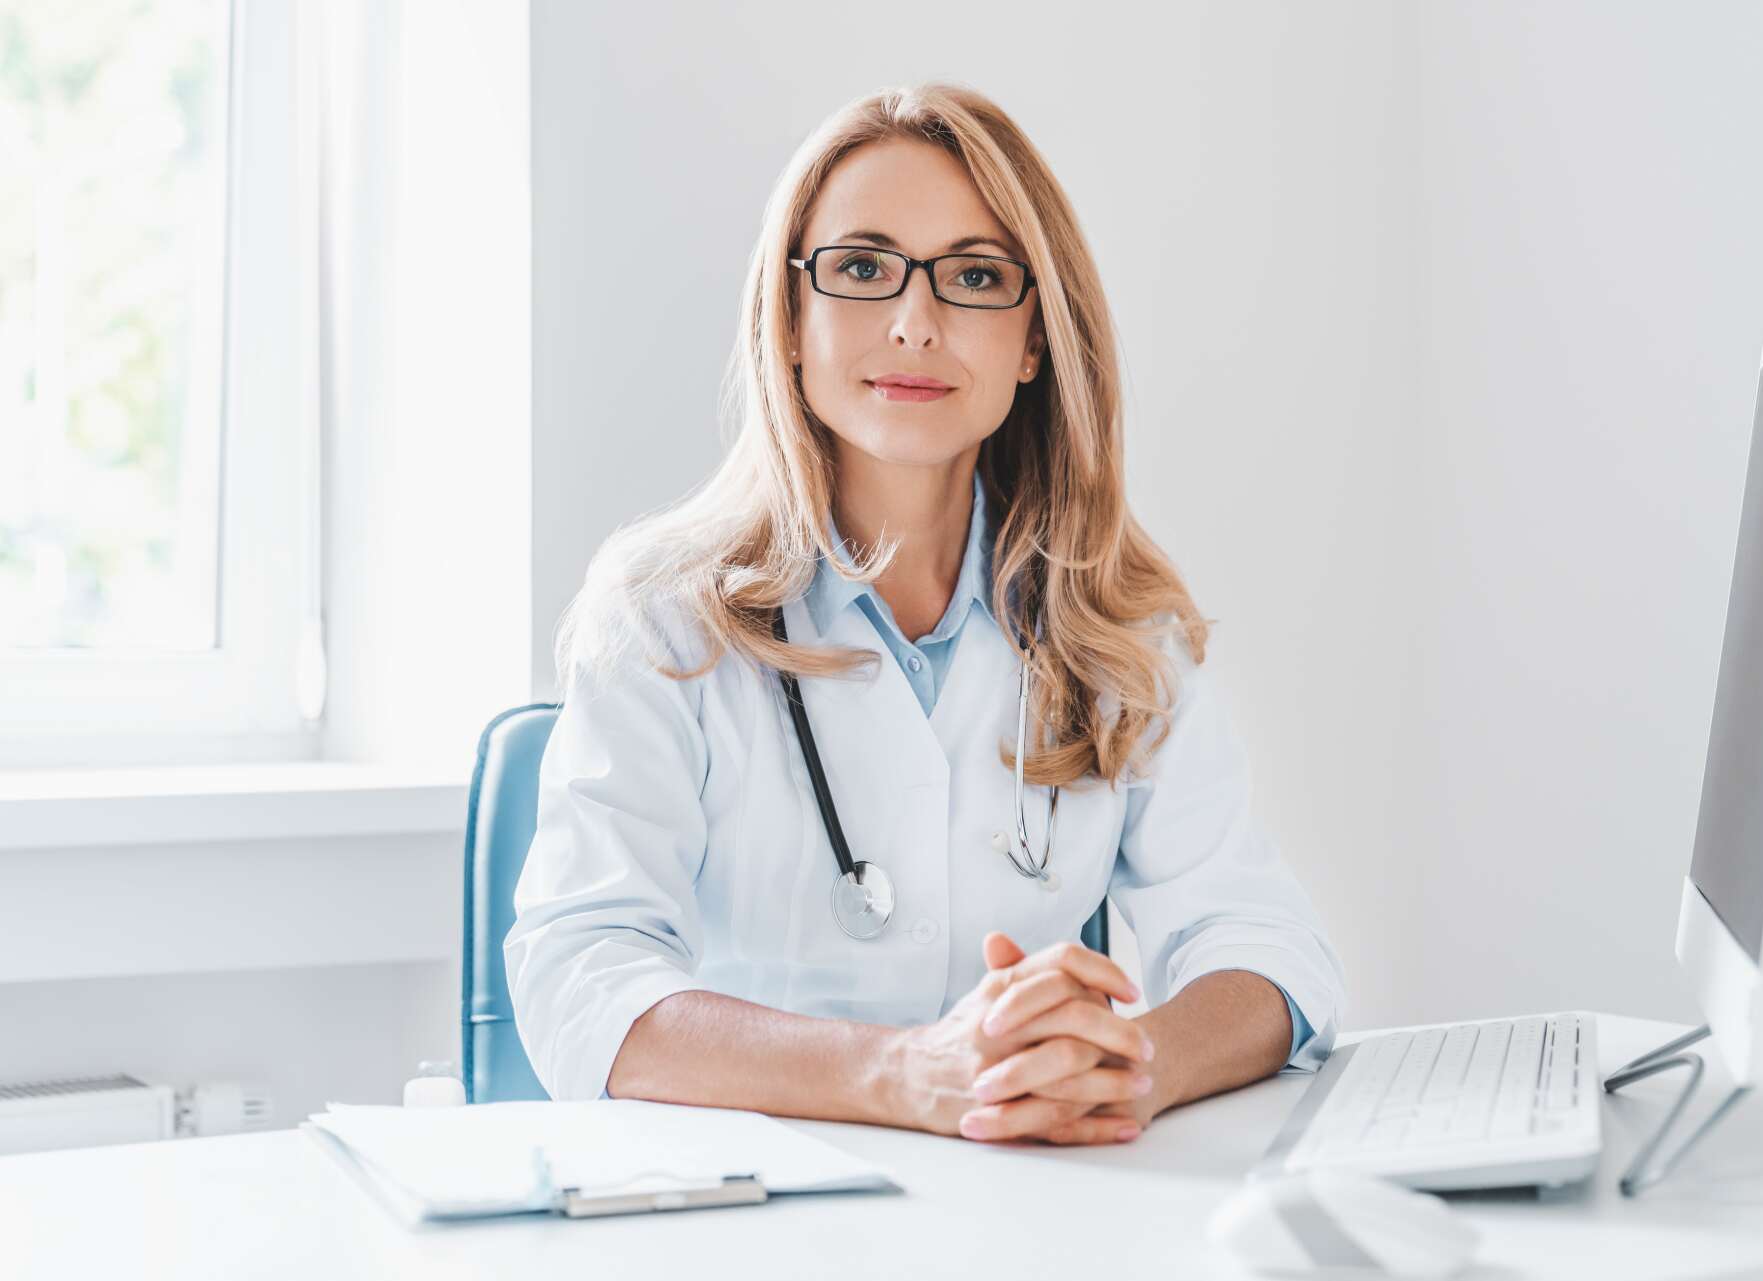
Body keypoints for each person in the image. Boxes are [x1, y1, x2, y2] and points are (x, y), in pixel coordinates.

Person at [504, 82, 1345, 1147]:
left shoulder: (1115, 629)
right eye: (861, 269)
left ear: (1033, 341)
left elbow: (1269, 947)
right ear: (791, 322)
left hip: (1027, 1207)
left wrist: (1133, 1066)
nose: (915, 321)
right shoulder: (662, 613)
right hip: (741, 1207)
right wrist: (904, 1073)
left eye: (976, 277)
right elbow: (583, 980)